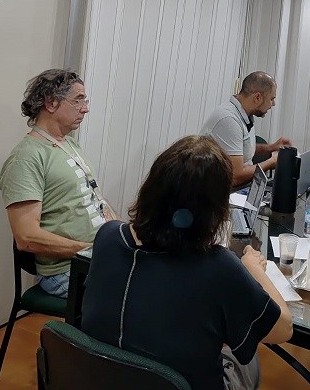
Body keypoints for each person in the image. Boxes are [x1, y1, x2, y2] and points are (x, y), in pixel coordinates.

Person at [81, 135, 293, 390]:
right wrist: (255, 269)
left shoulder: (108, 236)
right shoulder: (219, 267)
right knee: (247, 362)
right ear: (214, 210)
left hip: (99, 378)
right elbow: (283, 329)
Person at [0, 69, 115, 298]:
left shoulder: (69, 145)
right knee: (143, 291)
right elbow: (26, 238)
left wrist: (123, 235)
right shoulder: (26, 158)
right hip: (66, 271)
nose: (85, 108)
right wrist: (89, 251)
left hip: (95, 257)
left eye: (85, 100)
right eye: (78, 100)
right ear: (51, 103)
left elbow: (97, 199)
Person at [200, 71, 291, 186]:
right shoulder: (229, 119)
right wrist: (271, 162)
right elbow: (235, 177)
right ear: (257, 97)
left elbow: (240, 149)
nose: (273, 104)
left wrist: (270, 148)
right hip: (223, 191)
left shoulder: (245, 115)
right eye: (271, 99)